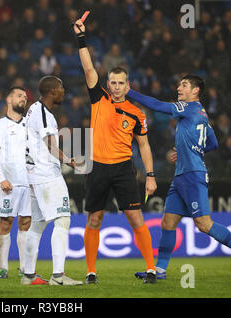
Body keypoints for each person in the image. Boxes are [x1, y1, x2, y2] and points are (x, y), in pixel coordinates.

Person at [125, 74, 231, 279]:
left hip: (193, 175)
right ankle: (160, 271)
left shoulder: (189, 107)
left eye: (184, 85)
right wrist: (192, 148)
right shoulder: (201, 113)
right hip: (182, 176)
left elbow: (159, 106)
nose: (179, 88)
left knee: (204, 224)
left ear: (195, 91)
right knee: (168, 223)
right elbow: (213, 143)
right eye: (179, 84)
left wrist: (129, 92)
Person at [72, 18, 158, 284]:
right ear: (107, 83)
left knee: (135, 217)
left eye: (121, 83)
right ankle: (90, 271)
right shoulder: (99, 98)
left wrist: (151, 174)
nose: (117, 86)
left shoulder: (136, 113)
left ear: (127, 85)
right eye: (113, 82)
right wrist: (81, 38)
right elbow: (88, 68)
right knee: (94, 218)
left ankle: (151, 269)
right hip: (97, 167)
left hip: (123, 169)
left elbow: (143, 145)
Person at [21, 75, 82, 286]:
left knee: (37, 225)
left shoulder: (33, 110)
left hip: (33, 174)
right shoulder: (45, 115)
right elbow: (51, 147)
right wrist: (70, 161)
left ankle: (28, 276)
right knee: (63, 220)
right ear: (52, 91)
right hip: (46, 174)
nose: (64, 91)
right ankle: (58, 276)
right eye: (61, 88)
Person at [0, 86, 31, 279]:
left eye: (25, 96)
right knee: (6, 223)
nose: (23, 98)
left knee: (26, 223)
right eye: (19, 95)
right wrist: (2, 179)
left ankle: (24, 267)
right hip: (9, 183)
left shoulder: (30, 125)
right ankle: (3, 268)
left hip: (28, 183)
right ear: (9, 100)